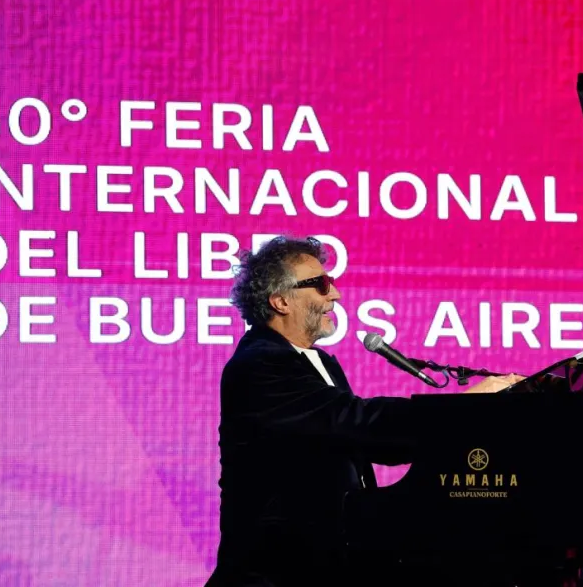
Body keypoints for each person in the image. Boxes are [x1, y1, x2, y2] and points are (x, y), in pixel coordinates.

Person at [205, 235, 521, 587]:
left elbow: (371, 445)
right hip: (273, 574)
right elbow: (358, 422)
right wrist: (465, 408)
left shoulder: (318, 362)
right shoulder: (260, 365)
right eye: (321, 285)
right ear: (280, 301)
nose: (335, 295)